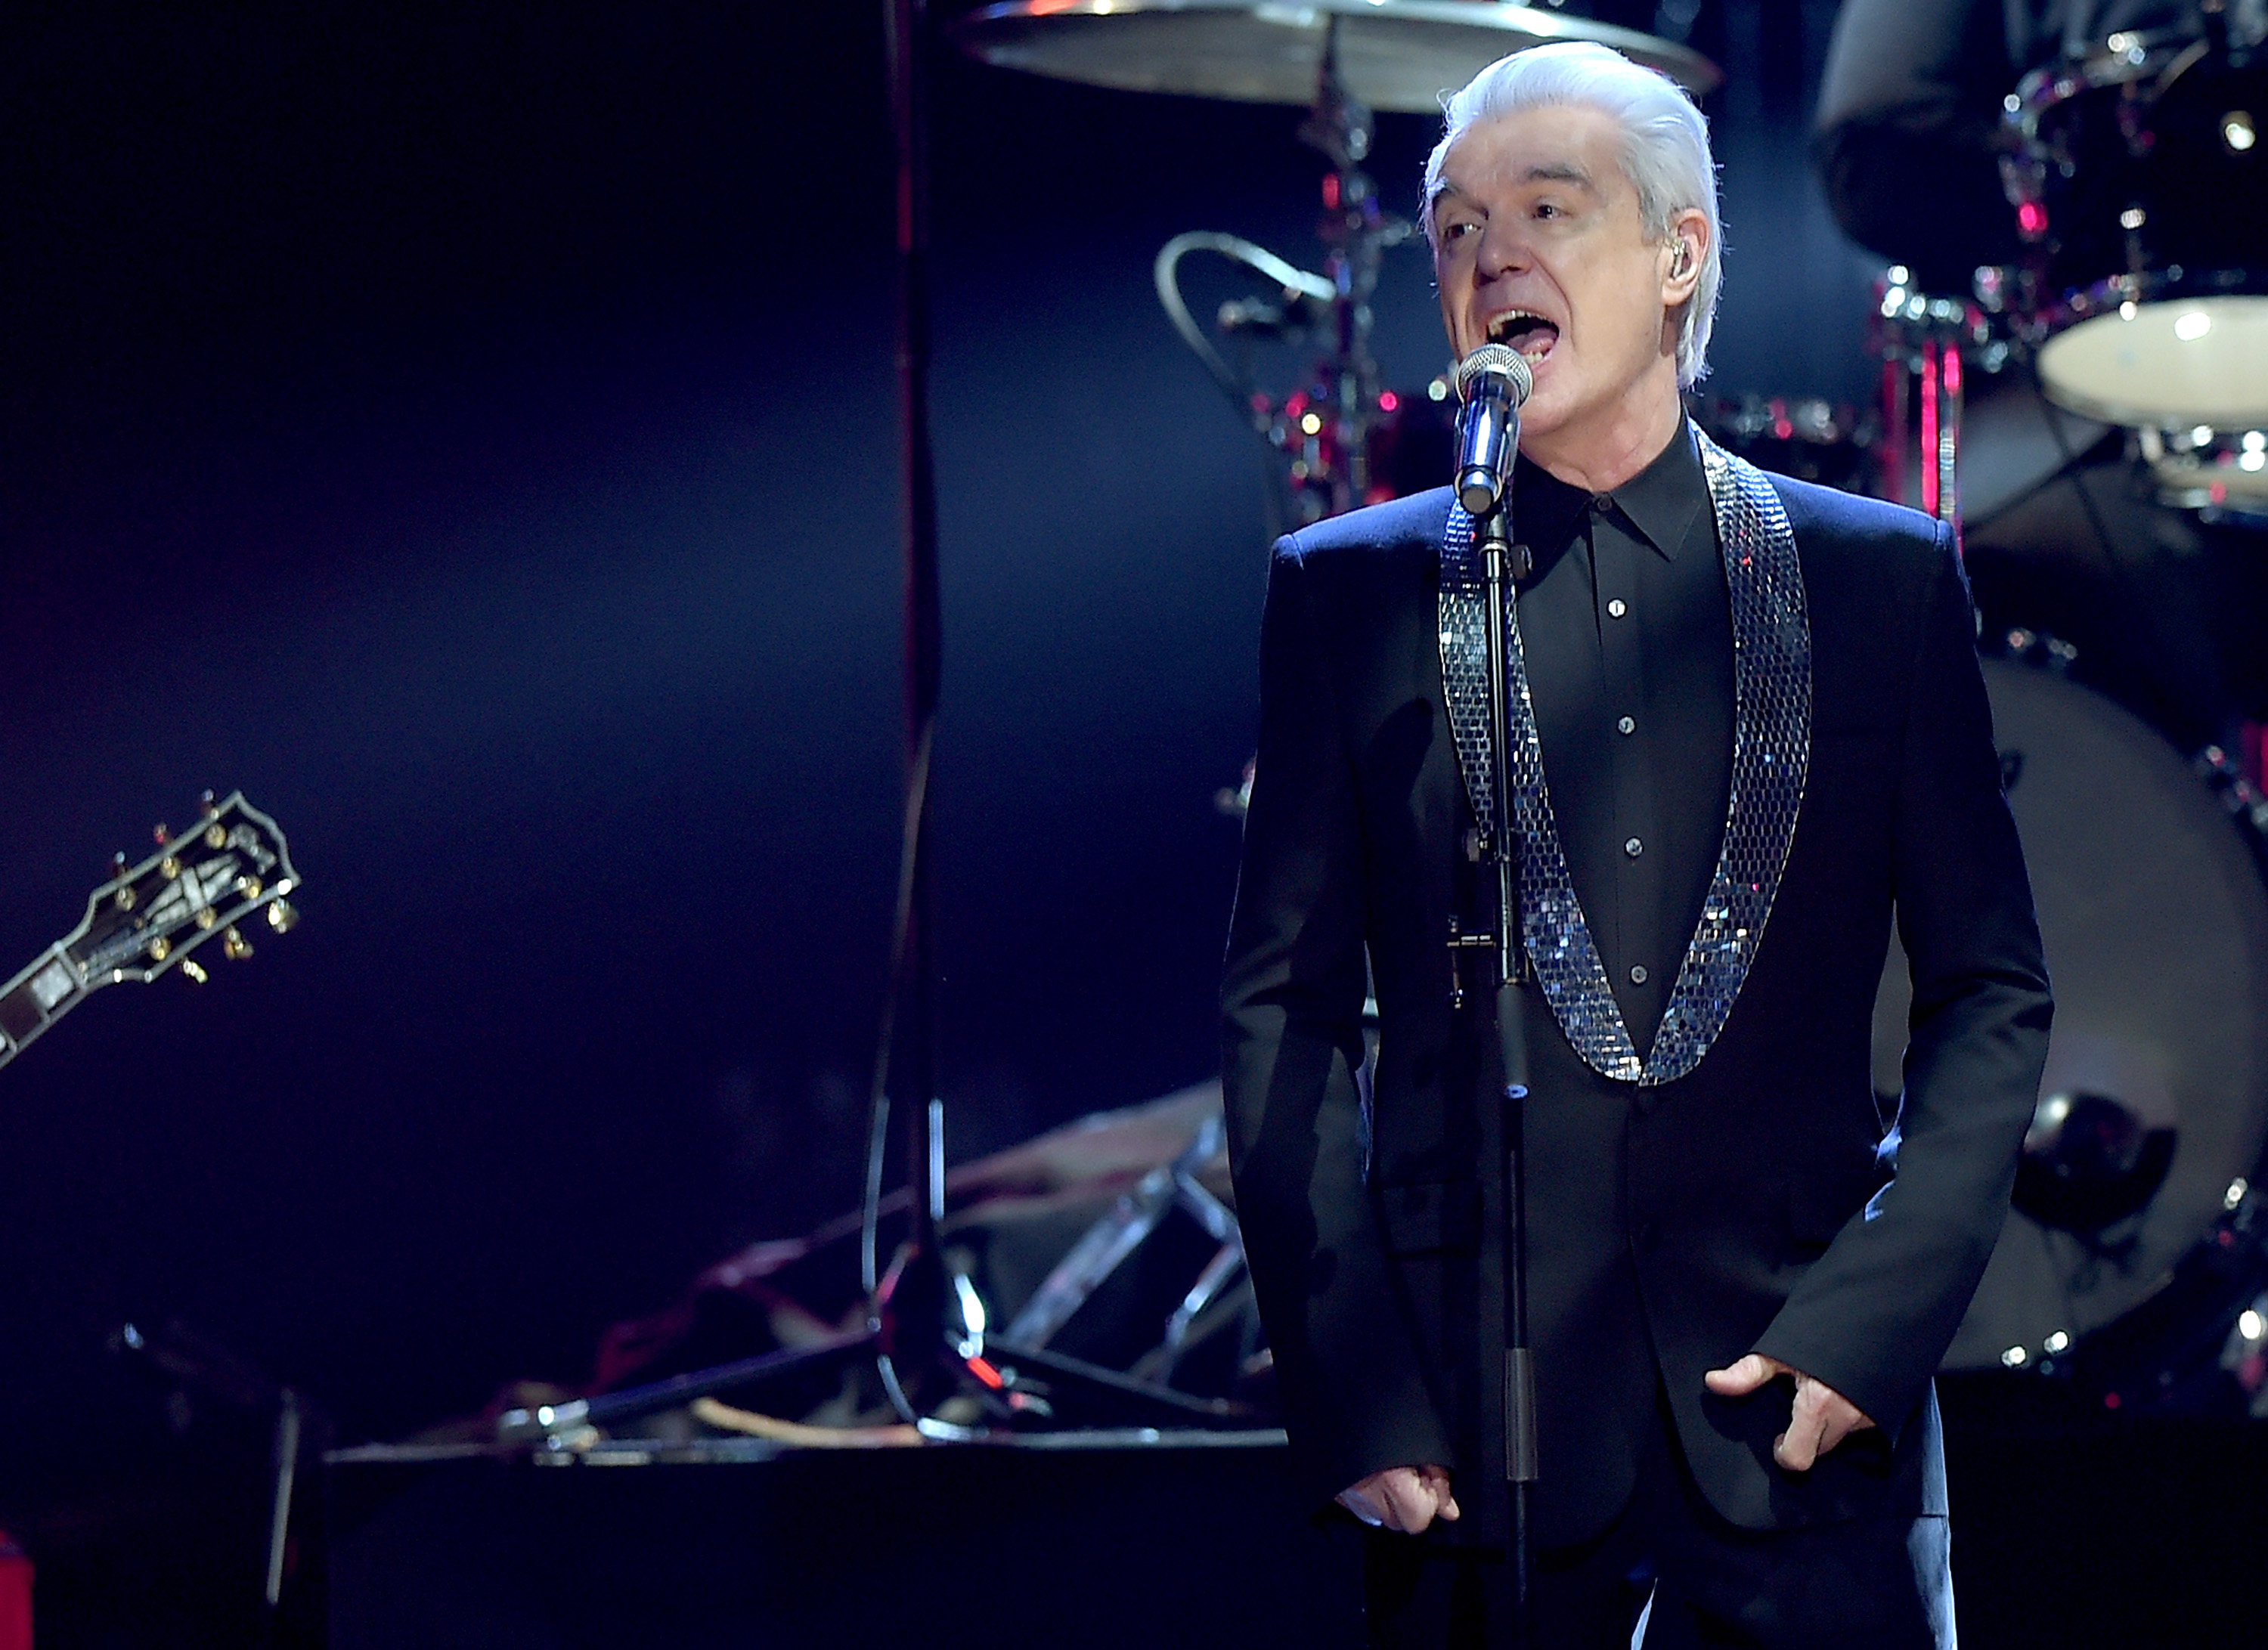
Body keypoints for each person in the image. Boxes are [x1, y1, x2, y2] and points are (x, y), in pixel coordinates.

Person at [1220, 42, 2053, 1648]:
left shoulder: (1878, 582)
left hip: (1797, 1412)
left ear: (1681, 257)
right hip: (1475, 1435)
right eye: (1455, 230)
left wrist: (1865, 1332)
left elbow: (1992, 991)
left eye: (1548, 208)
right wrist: (1359, 1389)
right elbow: (1284, 1012)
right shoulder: (1354, 593)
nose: (1489, 257)